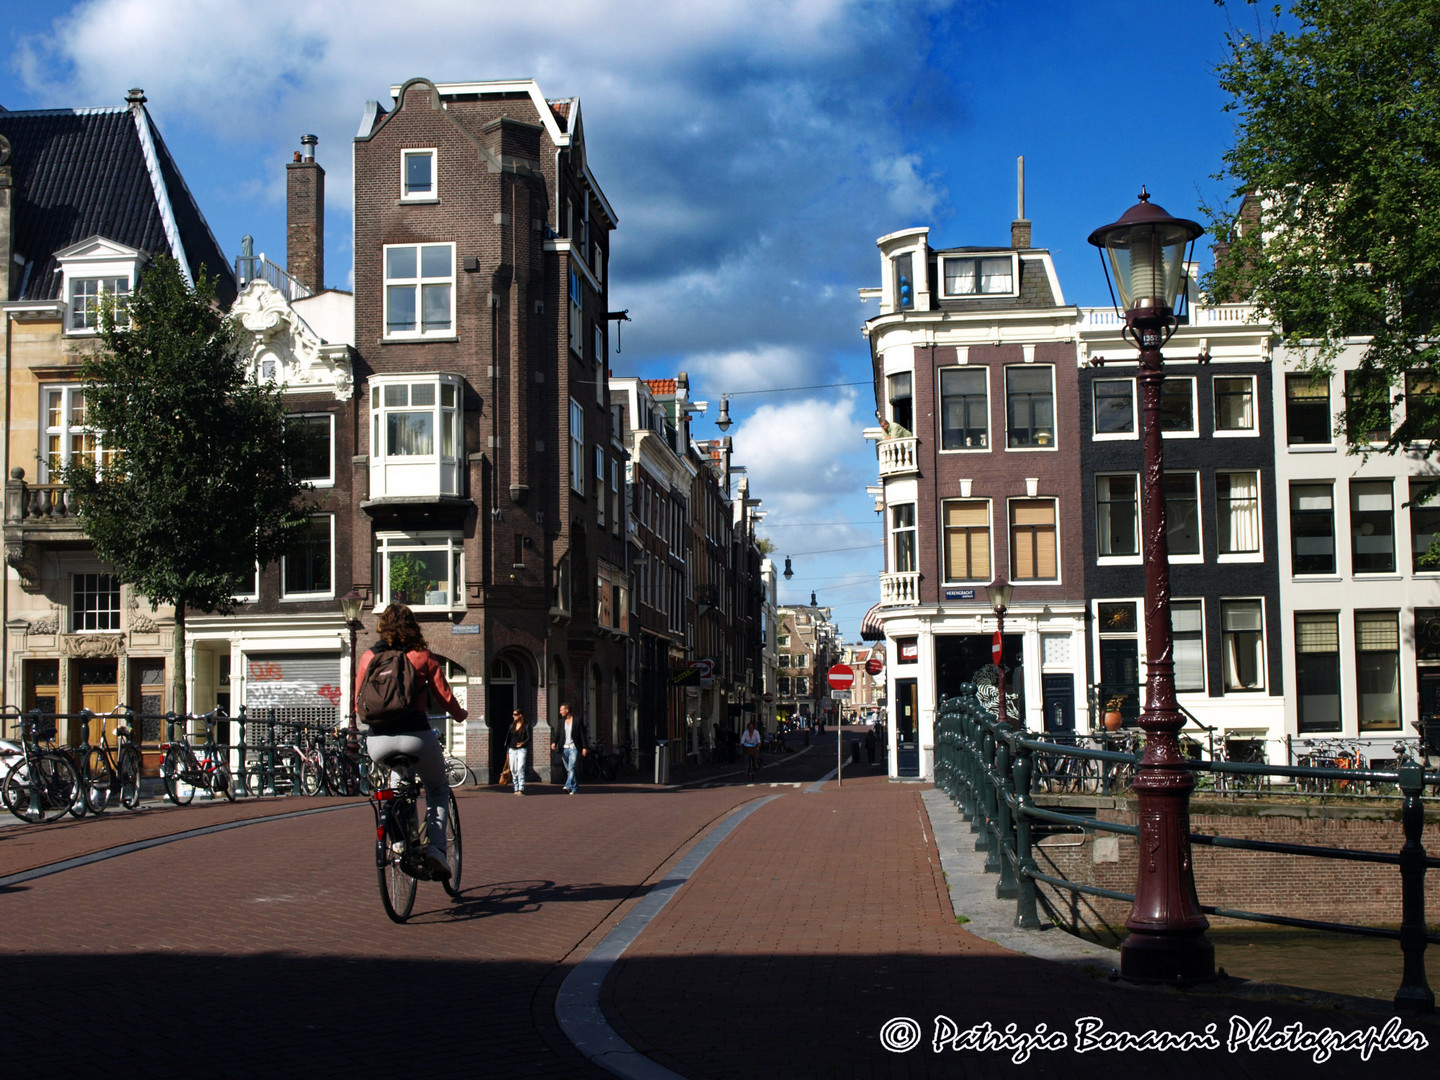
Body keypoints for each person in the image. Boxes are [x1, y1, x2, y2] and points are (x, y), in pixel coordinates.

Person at [354, 603, 467, 880]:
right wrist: (461, 715)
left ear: (383, 626)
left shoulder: (369, 657)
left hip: (378, 743)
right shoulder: (423, 657)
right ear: (413, 626)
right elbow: (445, 698)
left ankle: (401, 842)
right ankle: (437, 851)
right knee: (438, 788)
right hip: (416, 737)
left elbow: (358, 702)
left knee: (396, 785)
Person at [551, 701, 588, 794]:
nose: (560, 712)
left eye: (561, 710)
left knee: (571, 768)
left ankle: (567, 785)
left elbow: (582, 734)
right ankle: (574, 788)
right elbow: (558, 733)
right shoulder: (561, 722)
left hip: (574, 748)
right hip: (564, 748)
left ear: (567, 710)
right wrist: (554, 742)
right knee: (569, 769)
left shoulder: (577, 720)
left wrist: (584, 747)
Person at [506, 711, 530, 795]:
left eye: (515, 714)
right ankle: (515, 788)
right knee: (513, 769)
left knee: (520, 768)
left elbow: (529, 737)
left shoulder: (526, 726)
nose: (513, 716)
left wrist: (523, 743)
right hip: (512, 749)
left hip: (521, 750)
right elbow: (508, 739)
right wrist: (507, 752)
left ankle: (521, 788)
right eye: (513, 714)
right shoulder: (512, 726)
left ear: (520, 715)